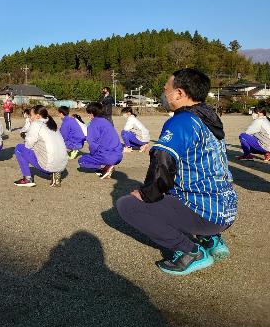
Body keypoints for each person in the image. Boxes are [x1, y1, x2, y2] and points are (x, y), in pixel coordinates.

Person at [116, 68, 238, 275]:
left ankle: (191, 252)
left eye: (166, 90)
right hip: (226, 211)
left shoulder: (182, 121)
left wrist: (147, 194)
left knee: (127, 205)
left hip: (205, 215)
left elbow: (163, 159)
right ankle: (212, 239)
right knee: (179, 183)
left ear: (179, 93)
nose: (164, 95)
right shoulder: (210, 118)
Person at [13, 105, 68, 188]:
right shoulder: (51, 123)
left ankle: (27, 179)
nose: (30, 118)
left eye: (31, 115)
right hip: (62, 164)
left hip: (48, 164)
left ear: (38, 116)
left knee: (19, 148)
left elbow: (28, 145)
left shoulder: (36, 124)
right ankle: (55, 172)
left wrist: (25, 136)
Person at [78, 102, 123, 179]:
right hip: (119, 155)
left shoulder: (92, 125)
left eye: (88, 113)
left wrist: (93, 154)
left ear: (91, 113)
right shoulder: (107, 122)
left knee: (82, 160)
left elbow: (92, 144)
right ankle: (107, 168)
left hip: (108, 156)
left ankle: (105, 167)